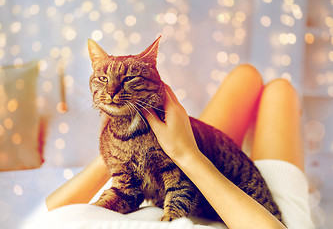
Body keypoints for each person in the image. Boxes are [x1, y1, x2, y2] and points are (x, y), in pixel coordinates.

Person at [45, 64, 314, 229]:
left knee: (246, 76)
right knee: (280, 90)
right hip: (260, 213)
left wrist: (119, 140)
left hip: (177, 163)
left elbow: (53, 215)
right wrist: (185, 153)